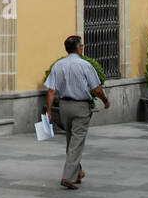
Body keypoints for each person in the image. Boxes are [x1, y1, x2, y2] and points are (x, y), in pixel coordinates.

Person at [44, 35, 110, 189]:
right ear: (79, 48)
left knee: (71, 140)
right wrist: (105, 101)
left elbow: (51, 90)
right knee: (77, 141)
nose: (83, 49)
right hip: (80, 106)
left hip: (64, 107)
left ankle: (77, 172)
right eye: (82, 46)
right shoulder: (84, 65)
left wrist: (49, 110)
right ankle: (68, 177)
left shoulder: (58, 65)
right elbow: (96, 88)